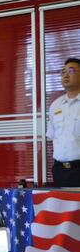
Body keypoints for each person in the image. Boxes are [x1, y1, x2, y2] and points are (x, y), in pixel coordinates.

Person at [47, 58, 80, 187]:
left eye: (71, 71)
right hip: (60, 171)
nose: (65, 75)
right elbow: (53, 137)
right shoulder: (55, 105)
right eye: (63, 72)